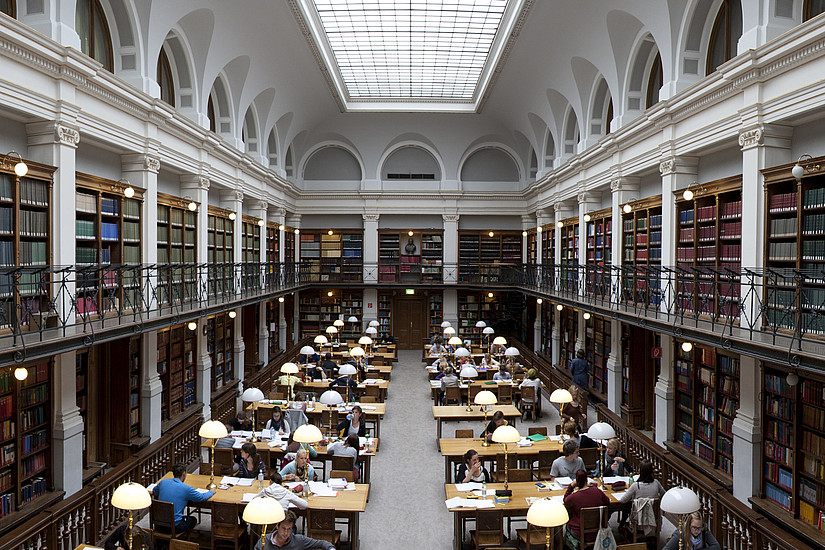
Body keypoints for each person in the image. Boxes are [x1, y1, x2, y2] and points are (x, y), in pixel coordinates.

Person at [152, 463, 214, 534]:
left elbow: (154, 491)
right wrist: (211, 491)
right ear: (184, 473)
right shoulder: (187, 489)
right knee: (193, 520)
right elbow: (202, 498)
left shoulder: (163, 482)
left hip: (158, 525)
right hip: (174, 527)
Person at [563, 469, 610, 548]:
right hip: (598, 531)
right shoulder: (597, 491)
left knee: (563, 527)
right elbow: (607, 502)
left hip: (579, 533)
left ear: (576, 482)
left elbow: (565, 501)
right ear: (587, 480)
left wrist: (571, 486)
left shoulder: (574, 497)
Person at [255, 510, 335, 550]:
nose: (286, 533)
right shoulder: (264, 541)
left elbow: (321, 543)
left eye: (289, 529)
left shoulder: (299, 540)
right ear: (277, 526)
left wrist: (331, 549)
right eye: (283, 528)